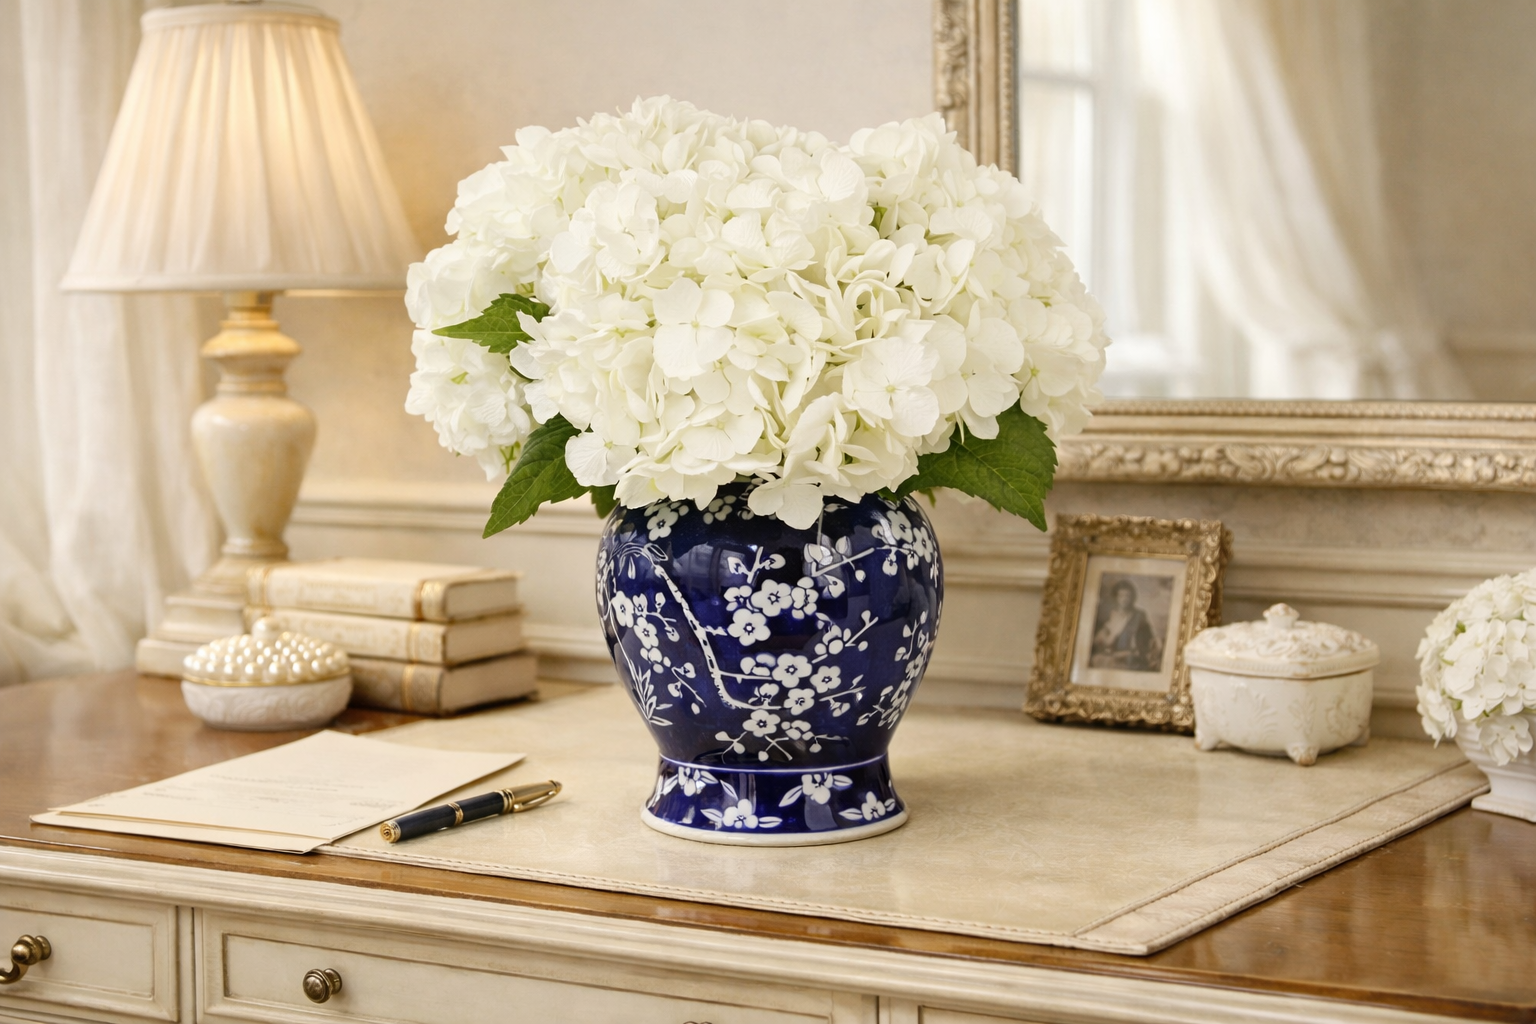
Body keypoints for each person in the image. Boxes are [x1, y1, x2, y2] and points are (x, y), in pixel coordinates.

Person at [1089, 579, 1163, 671]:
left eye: (1127, 596)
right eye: (1121, 596)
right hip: (1113, 654)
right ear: (1116, 597)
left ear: (1132, 598)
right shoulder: (1110, 615)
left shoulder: (1139, 615)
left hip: (1134, 654)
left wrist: (1154, 643)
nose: (1124, 599)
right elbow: (1100, 640)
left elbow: (1149, 636)